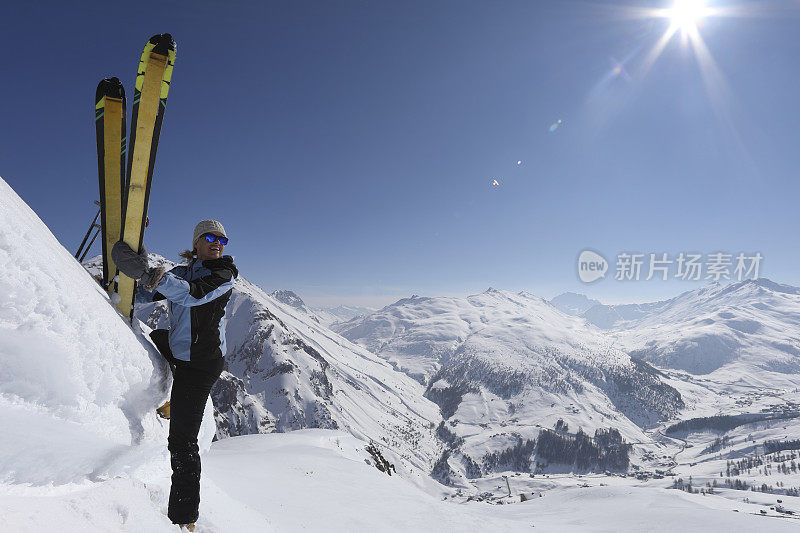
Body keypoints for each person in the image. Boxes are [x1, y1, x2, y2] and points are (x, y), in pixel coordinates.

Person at [112, 219, 238, 531]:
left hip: (201, 365)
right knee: (156, 336)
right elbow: (147, 295)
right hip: (182, 352)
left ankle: (184, 519)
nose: (216, 243)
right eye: (209, 237)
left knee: (182, 442)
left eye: (222, 239)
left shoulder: (223, 275)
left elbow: (191, 295)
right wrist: (120, 284)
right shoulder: (184, 272)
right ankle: (174, 397)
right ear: (196, 243)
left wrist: (148, 274)